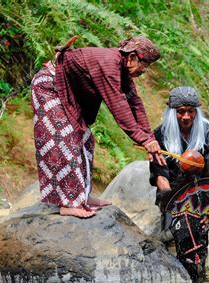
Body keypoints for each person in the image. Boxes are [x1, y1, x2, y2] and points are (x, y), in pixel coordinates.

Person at [30, 36, 166, 218]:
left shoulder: (121, 69)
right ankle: (68, 203)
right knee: (65, 140)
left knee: (86, 139)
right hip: (49, 88)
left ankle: (82, 195)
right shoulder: (109, 63)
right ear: (132, 57)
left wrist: (149, 138)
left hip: (66, 92)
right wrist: (142, 139)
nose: (144, 71)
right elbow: (118, 105)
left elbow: (134, 103)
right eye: (145, 65)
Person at [149, 86, 209, 231]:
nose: (186, 116)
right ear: (172, 112)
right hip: (171, 197)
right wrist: (174, 205)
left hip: (202, 196)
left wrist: (208, 206)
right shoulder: (159, 135)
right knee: (171, 238)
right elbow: (160, 176)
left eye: (191, 111)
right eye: (181, 111)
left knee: (198, 245)